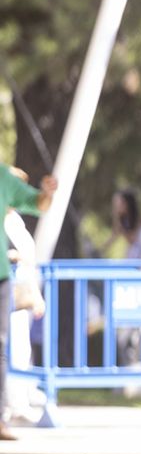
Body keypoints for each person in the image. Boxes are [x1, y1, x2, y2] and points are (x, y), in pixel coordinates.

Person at [1, 165, 54, 439]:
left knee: (13, 348)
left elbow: (38, 203)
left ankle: (13, 406)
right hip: (9, 282)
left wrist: (35, 292)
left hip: (14, 286)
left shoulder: (16, 219)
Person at [106, 189, 141, 259]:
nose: (116, 206)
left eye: (119, 203)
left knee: (132, 253)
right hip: (137, 247)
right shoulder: (122, 218)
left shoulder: (137, 219)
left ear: (126, 204)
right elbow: (114, 235)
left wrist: (121, 229)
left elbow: (133, 239)